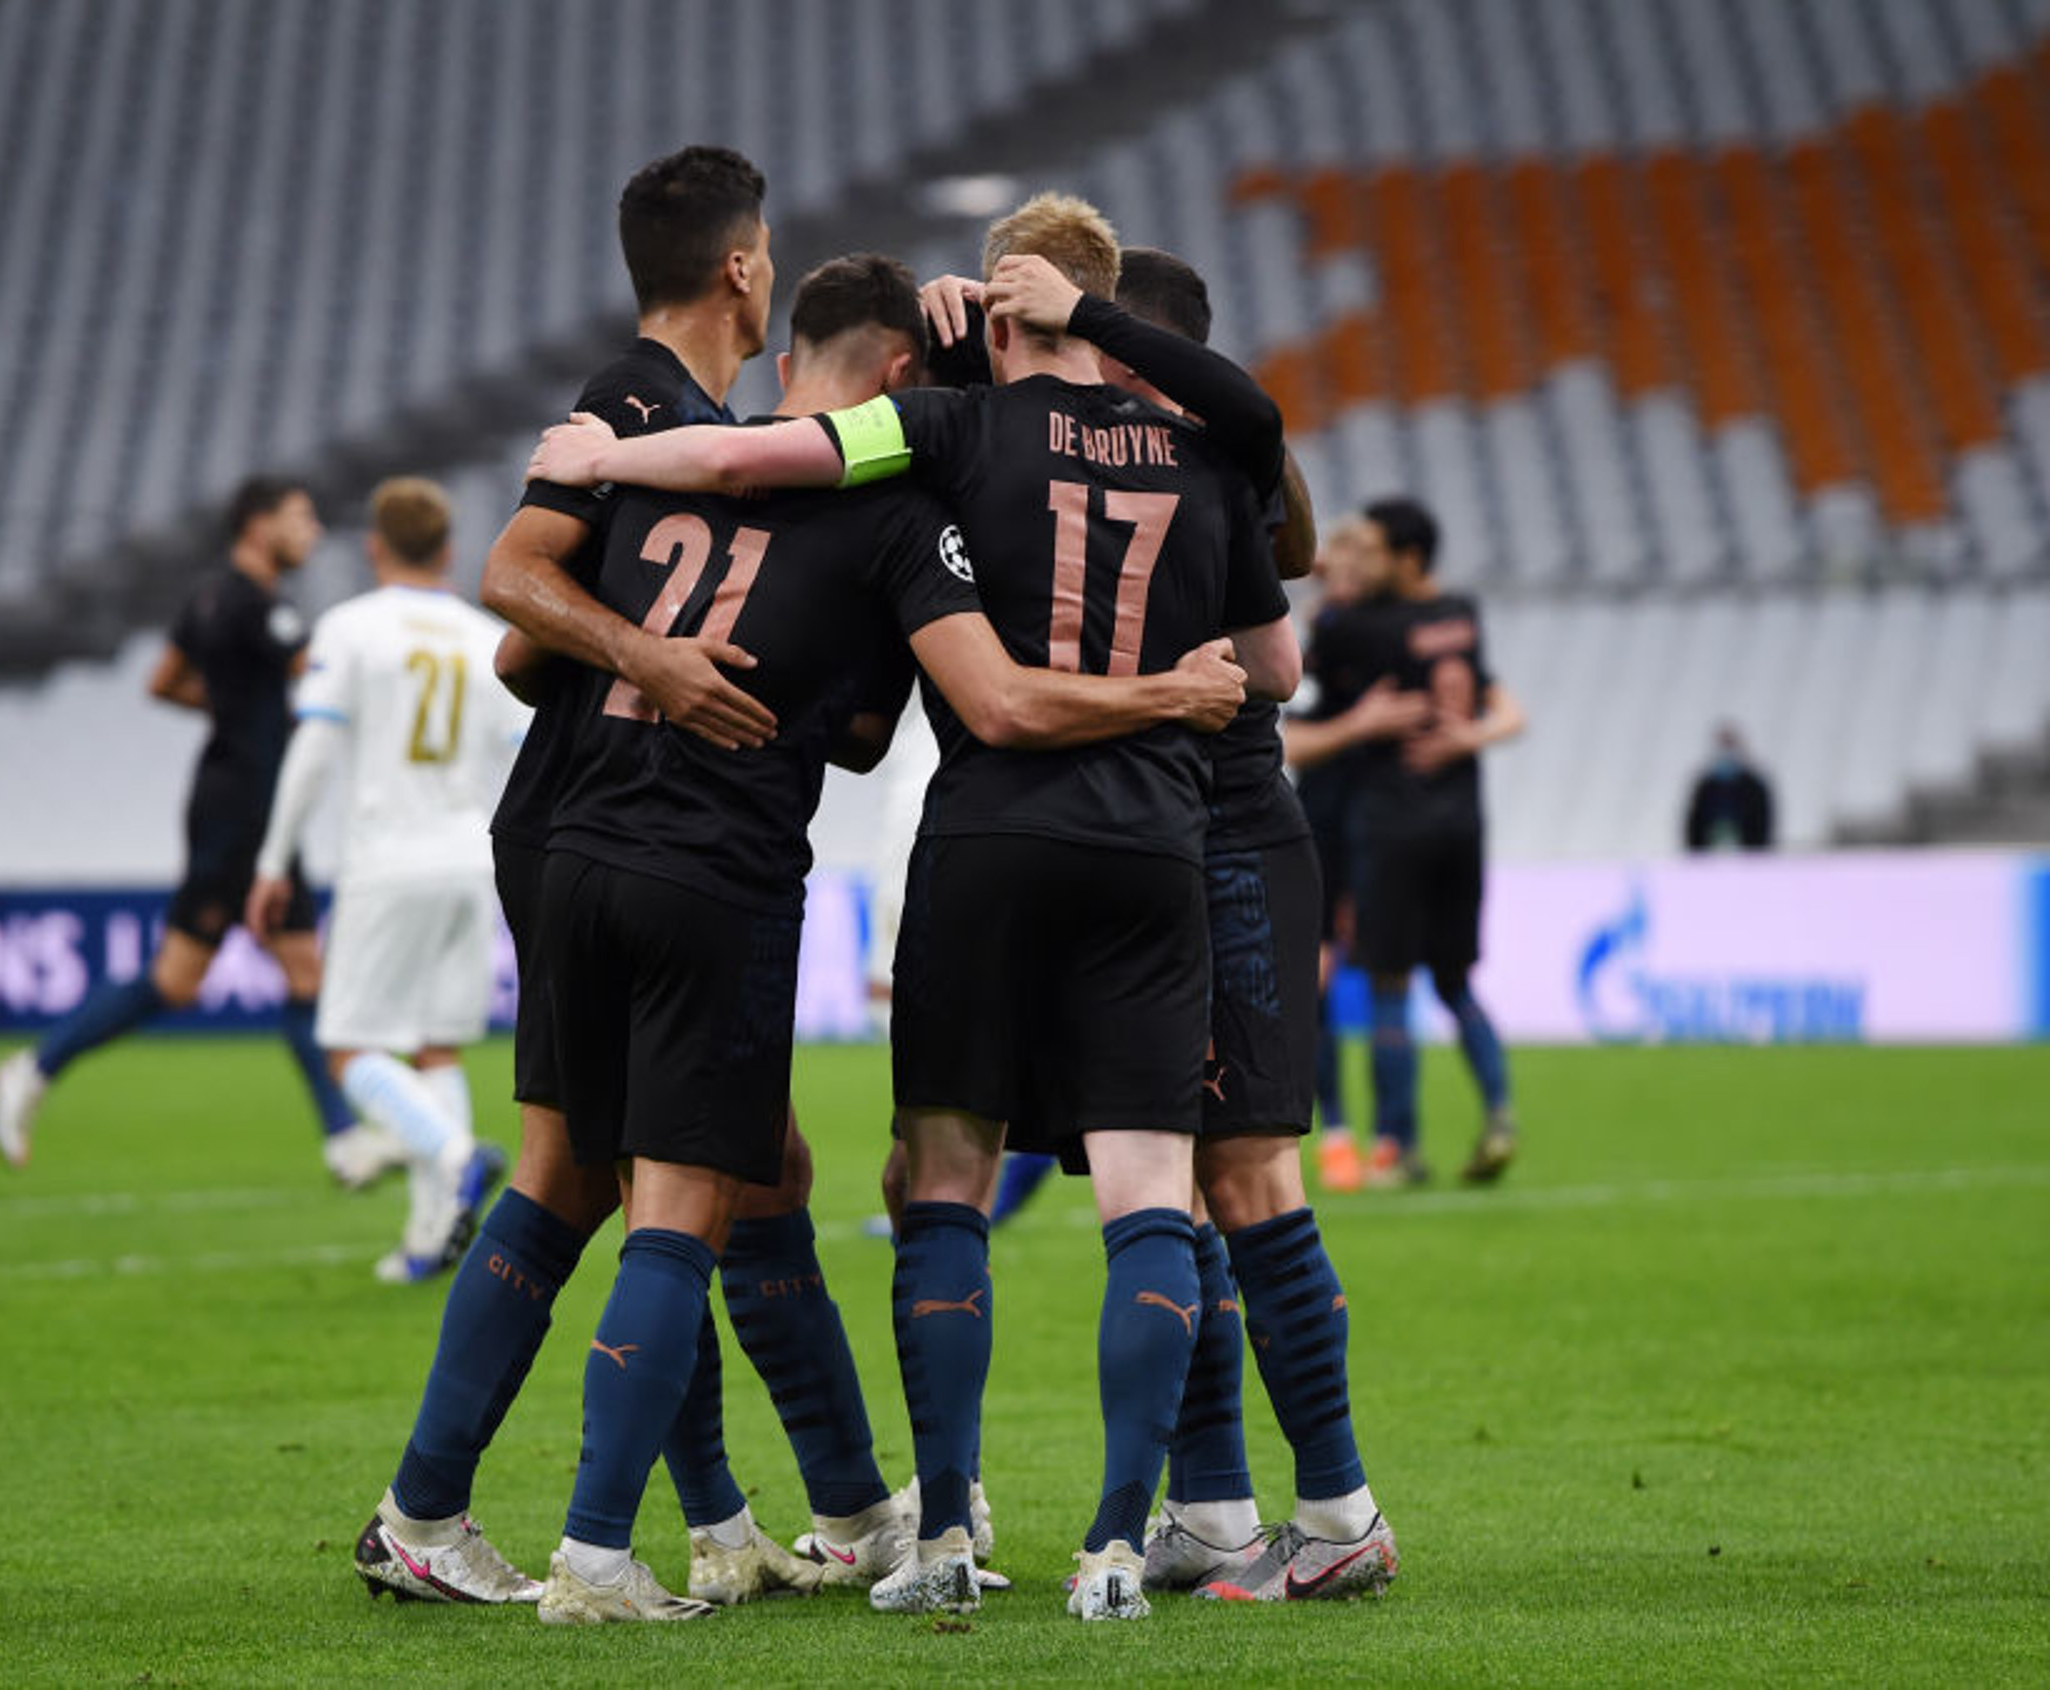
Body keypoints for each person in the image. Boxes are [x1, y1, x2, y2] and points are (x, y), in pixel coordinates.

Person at [530, 193, 1295, 1621]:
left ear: (1000, 310)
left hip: (988, 843)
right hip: (1155, 853)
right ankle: (1123, 1544)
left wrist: (611, 452)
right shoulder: (1206, 452)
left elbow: (765, 454)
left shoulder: (951, 433)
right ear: (1103, 303)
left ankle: (941, 1529)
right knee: (1149, 1199)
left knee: (937, 1179)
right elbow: (1277, 665)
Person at [353, 145, 841, 1613]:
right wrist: (657, 662)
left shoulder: (685, 429)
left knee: (606, 1172)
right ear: (743, 267)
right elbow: (507, 582)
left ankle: (494, 1514)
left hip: (573, 820)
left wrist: (613, 638)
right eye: (768, 254)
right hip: (614, 831)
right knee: (657, 1179)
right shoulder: (636, 403)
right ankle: (593, 1531)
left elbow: (521, 649)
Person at [1061, 246, 1397, 1603]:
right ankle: (1210, 1509)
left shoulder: (1218, 456)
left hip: (1233, 832)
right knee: (1166, 1186)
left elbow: (1286, 627)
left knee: (1250, 1175)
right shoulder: (1090, 456)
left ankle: (1342, 1508)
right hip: (1137, 836)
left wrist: (1220, 409)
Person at [0, 478, 373, 1182]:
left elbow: (164, 680)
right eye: (300, 518)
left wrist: (238, 714)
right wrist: (269, 721)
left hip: (240, 800)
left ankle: (344, 1140)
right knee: (180, 980)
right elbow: (318, 674)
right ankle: (33, 1067)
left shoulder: (208, 597)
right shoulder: (260, 606)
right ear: (257, 525)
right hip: (242, 813)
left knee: (300, 970)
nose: (312, 532)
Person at [244, 478, 520, 1283]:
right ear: (449, 550)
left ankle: (456, 1155)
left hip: (389, 859)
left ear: (374, 546)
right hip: (471, 857)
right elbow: (529, 745)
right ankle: (431, 1240)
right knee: (436, 1048)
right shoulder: (483, 636)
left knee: (346, 1047)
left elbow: (314, 750)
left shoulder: (352, 629)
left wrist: (271, 861)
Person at [1294, 498, 1526, 1188]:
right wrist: (1474, 734)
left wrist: (1323, 611)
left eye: (1366, 550)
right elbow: (1503, 705)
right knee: (1453, 980)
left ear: (1403, 558)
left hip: (1385, 821)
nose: (1351, 562)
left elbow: (1288, 709)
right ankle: (1499, 1112)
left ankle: (1391, 1144)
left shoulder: (1352, 629)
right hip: (1461, 818)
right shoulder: (1460, 615)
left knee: (1381, 980)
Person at [1685, 724, 1774, 851]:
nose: (1726, 753)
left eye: (1730, 746)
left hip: (1748, 854)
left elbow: (1762, 823)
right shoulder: (1706, 786)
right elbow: (1694, 823)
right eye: (1723, 746)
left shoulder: (1754, 786)